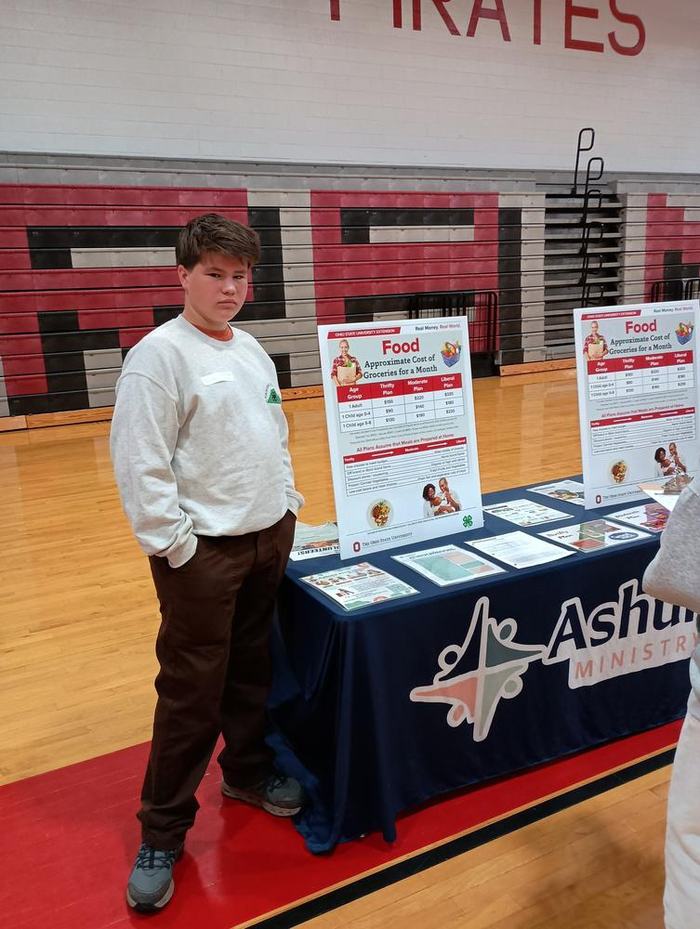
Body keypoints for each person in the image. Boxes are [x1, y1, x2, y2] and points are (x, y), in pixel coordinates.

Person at [110, 214, 304, 913]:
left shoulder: (250, 349)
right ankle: (162, 830)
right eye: (215, 273)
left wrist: (285, 504)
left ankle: (247, 771)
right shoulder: (158, 357)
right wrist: (179, 548)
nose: (228, 287)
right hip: (203, 555)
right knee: (191, 693)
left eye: (239, 276)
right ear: (183, 275)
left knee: (251, 667)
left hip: (265, 539)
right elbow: (140, 463)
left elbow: (272, 432)